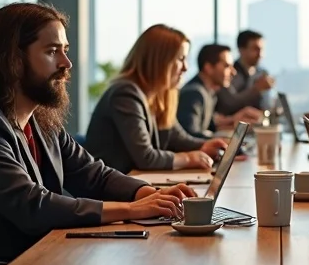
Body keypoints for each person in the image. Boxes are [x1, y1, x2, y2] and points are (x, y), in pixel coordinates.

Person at [0, 3, 193, 265]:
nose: (66, 63)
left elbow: (93, 174)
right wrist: (132, 210)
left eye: (65, 50)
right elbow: (31, 205)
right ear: (13, 59)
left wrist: (147, 193)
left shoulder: (39, 121)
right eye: (52, 51)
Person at [85, 25, 226, 174]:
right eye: (180, 59)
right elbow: (145, 157)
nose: (185, 67)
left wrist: (204, 146)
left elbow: (176, 136)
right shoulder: (125, 93)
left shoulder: (159, 94)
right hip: (112, 188)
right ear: (159, 61)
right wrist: (188, 158)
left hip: (135, 181)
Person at [177, 43, 262, 138]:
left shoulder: (209, 93)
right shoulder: (193, 94)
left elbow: (208, 127)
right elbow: (191, 136)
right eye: (226, 66)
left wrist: (233, 120)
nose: (233, 72)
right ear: (208, 68)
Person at [215, 29, 275, 115]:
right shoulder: (228, 73)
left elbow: (266, 105)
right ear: (241, 50)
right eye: (255, 49)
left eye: (262, 49)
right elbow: (229, 103)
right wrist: (257, 89)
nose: (260, 54)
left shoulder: (262, 73)